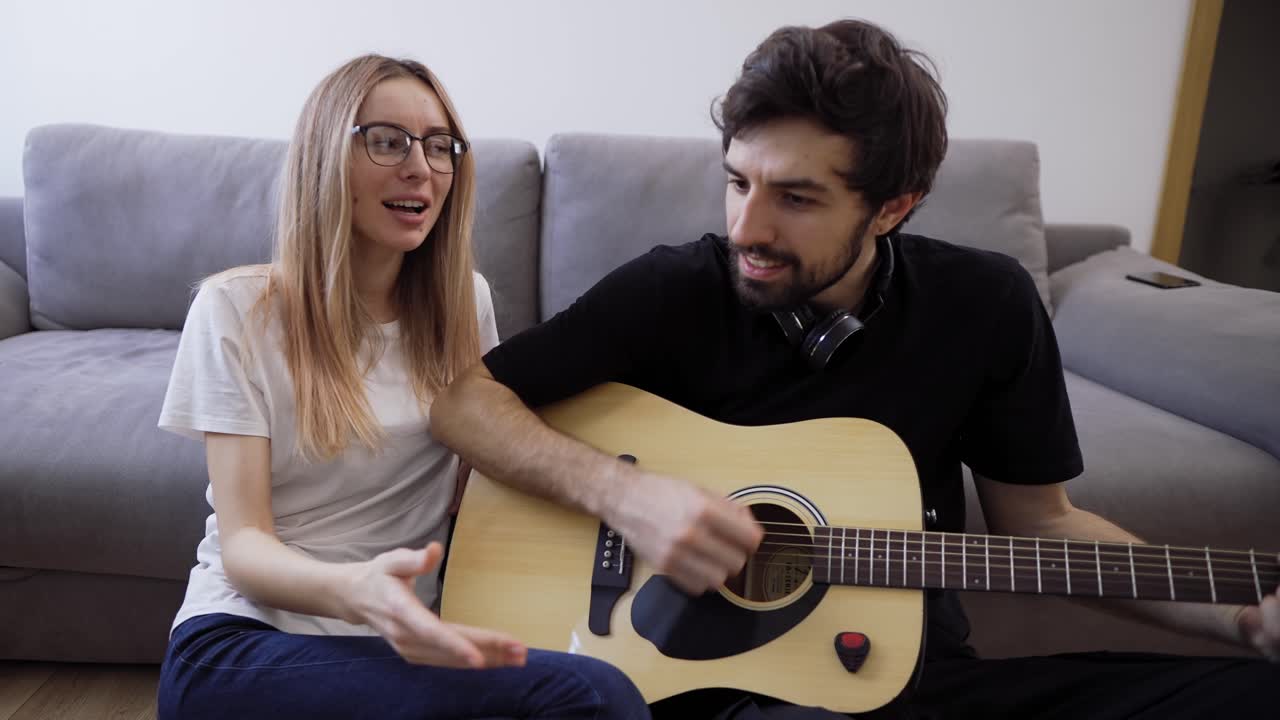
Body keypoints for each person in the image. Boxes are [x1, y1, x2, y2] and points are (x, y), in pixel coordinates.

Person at [430, 19, 1279, 720]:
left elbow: (1046, 525)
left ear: (894, 205)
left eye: (795, 198)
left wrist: (1241, 616)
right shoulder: (676, 286)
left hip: (907, 681)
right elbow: (464, 401)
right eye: (736, 182)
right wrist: (624, 495)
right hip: (704, 692)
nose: (746, 228)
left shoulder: (985, 304)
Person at [155, 54, 649, 720]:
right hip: (243, 643)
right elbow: (244, 547)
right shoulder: (235, 310)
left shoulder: (462, 305)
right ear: (326, 157)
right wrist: (357, 589)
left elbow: (485, 481)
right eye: (388, 141)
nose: (421, 166)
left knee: (601, 681)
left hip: (398, 646)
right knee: (592, 696)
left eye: (440, 146)